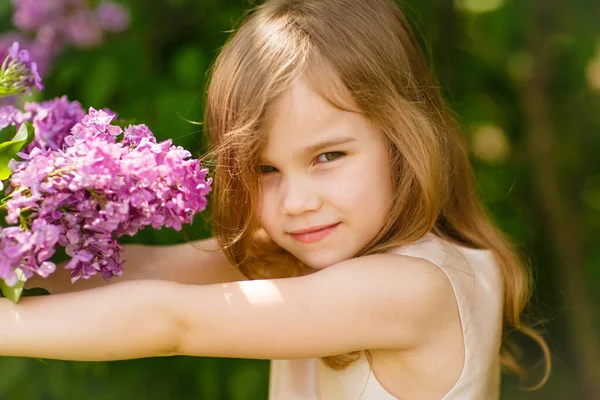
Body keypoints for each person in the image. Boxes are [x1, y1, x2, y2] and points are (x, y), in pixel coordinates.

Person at [4, 0, 551, 398]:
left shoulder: (411, 287)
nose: (295, 202)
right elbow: (150, 269)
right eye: (264, 169)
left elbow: (171, 320)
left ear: (402, 138)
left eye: (328, 157)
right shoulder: (302, 252)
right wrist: (15, 248)